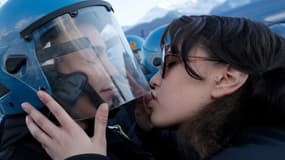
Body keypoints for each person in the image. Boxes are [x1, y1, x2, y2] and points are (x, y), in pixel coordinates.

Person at [23, 15, 285, 160]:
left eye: (170, 64)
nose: (153, 80)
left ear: (227, 79)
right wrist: (146, 134)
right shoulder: (257, 134)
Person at [0, 0, 158, 160]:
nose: (112, 71)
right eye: (91, 57)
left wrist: (144, 132)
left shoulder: (99, 133)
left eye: (106, 55)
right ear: (43, 73)